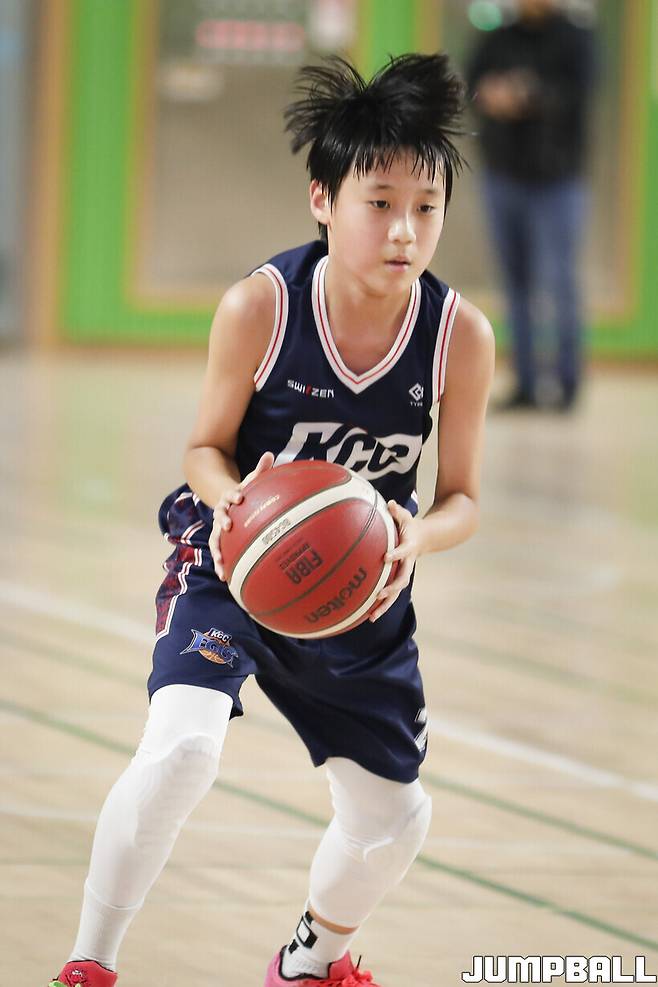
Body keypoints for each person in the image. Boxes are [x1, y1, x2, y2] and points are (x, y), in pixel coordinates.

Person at [49, 53, 494, 987]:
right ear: (322, 199)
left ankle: (310, 962)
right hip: (232, 562)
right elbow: (203, 449)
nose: (405, 229)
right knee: (182, 750)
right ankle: (90, 962)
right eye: (381, 202)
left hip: (359, 588)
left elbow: (461, 498)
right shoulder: (262, 305)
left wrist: (412, 536)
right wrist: (236, 502)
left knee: (396, 818)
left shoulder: (460, 335)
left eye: (427, 207)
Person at [467, 0, 595, 410]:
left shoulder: (575, 38)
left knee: (560, 282)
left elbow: (579, 93)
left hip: (559, 181)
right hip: (504, 177)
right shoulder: (497, 39)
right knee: (515, 283)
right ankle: (524, 383)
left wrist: (529, 95)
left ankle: (567, 383)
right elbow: (470, 88)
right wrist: (490, 95)